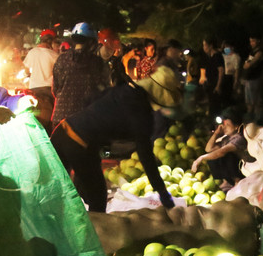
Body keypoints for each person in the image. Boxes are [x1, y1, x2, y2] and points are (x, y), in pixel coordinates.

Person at [52, 65, 181, 213]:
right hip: (79, 143)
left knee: (59, 195)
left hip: (63, 131)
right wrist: (162, 191)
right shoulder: (141, 110)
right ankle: (93, 234)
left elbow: (91, 101)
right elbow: (145, 154)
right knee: (97, 200)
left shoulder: (125, 89)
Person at [51, 22, 110, 124]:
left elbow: (55, 89)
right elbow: (103, 89)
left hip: (60, 119)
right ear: (91, 42)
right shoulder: (96, 62)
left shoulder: (62, 59)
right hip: (84, 120)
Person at [192, 106, 251, 187]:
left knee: (228, 156)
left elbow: (221, 152)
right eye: (224, 124)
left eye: (228, 125)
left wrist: (200, 158)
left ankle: (238, 181)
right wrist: (216, 133)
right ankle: (227, 181)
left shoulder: (239, 138)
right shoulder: (226, 139)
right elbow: (208, 149)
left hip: (244, 170)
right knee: (212, 155)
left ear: (236, 126)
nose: (224, 127)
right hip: (234, 170)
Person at [23, 29, 59, 126]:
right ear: (51, 41)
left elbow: (26, 70)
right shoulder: (54, 55)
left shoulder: (32, 52)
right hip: (49, 90)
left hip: (33, 89)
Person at [242, 35, 263, 117]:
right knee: (248, 101)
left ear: (258, 41)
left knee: (255, 101)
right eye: (250, 41)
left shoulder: (259, 52)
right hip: (249, 79)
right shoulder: (252, 52)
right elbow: (245, 65)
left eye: (253, 41)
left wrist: (248, 64)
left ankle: (257, 118)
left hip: (255, 79)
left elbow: (249, 64)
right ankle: (250, 116)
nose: (251, 43)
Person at [199, 38, 226, 113]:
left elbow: (221, 71)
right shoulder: (211, 57)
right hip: (211, 85)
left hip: (215, 85)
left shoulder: (217, 56)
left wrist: (218, 86)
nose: (204, 47)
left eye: (205, 45)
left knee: (216, 107)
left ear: (211, 46)